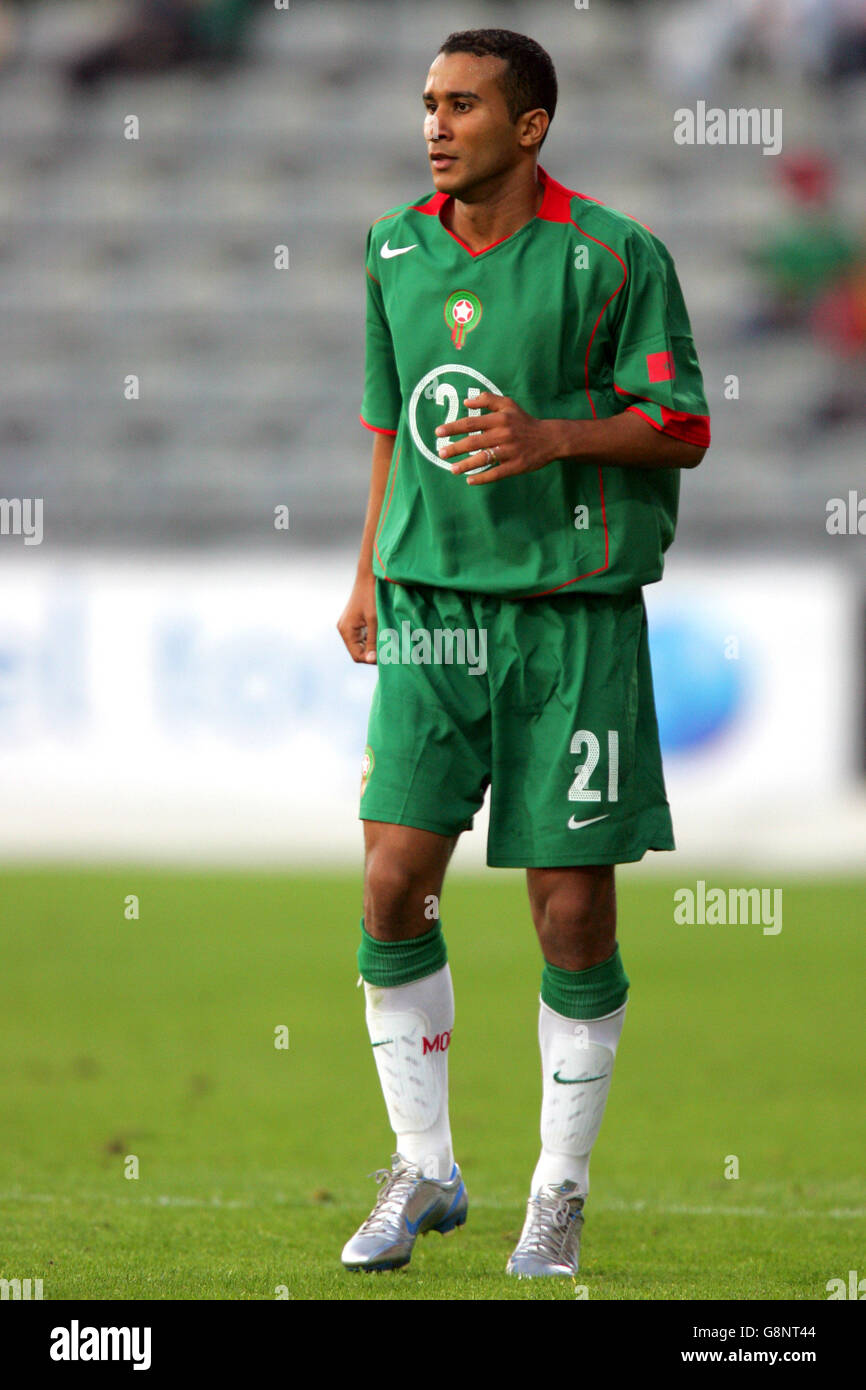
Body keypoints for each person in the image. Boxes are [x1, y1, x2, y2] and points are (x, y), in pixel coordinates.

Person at [336, 27, 710, 1279]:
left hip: (570, 617)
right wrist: (364, 572)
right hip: (432, 609)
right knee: (394, 881)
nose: (435, 125)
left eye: (463, 106)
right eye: (427, 103)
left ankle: (554, 1195)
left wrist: (553, 436)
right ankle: (424, 1169)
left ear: (530, 124)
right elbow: (391, 421)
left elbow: (680, 424)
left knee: (568, 911)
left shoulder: (612, 255)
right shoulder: (392, 245)